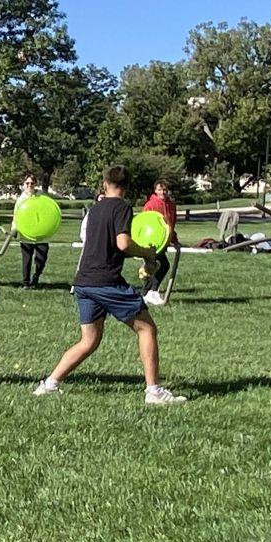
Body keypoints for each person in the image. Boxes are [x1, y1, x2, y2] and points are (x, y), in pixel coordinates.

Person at [33, 165, 187, 405]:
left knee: (89, 341)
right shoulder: (122, 207)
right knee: (147, 329)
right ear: (127, 187)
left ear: (105, 184)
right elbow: (123, 243)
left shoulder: (95, 209)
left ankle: (50, 384)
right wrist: (147, 253)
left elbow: (107, 245)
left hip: (84, 281)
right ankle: (154, 391)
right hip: (106, 282)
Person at [140, 179, 178, 306]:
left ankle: (146, 293)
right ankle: (151, 291)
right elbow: (144, 224)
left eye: (165, 190)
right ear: (155, 191)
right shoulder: (150, 205)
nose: (162, 192)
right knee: (162, 265)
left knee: (155, 267)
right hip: (151, 242)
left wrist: (174, 240)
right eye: (160, 190)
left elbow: (171, 225)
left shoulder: (171, 205)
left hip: (164, 242)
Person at [11, 174, 49, 289]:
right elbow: (16, 216)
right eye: (27, 183)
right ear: (23, 185)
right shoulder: (20, 200)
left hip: (41, 235)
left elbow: (48, 213)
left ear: (35, 184)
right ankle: (26, 283)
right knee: (26, 260)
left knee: (41, 259)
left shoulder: (42, 198)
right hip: (26, 235)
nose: (29, 185)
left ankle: (36, 277)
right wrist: (14, 229)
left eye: (32, 183)